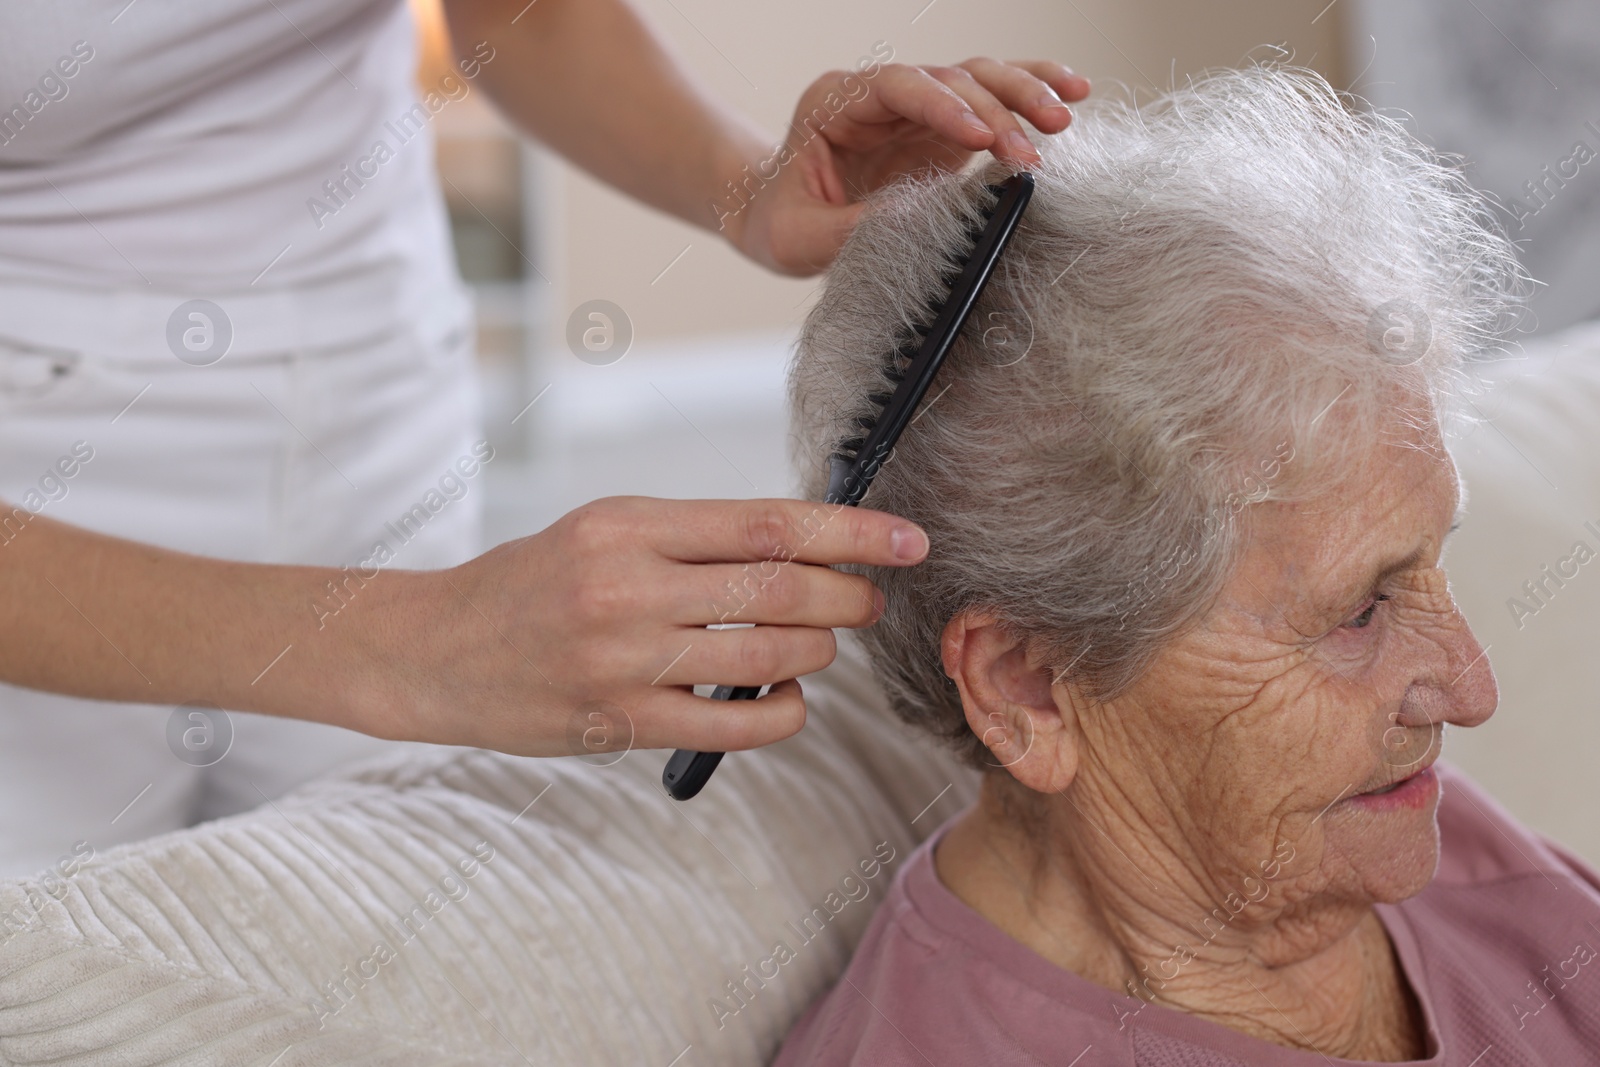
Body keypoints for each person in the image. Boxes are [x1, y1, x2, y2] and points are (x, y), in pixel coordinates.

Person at [0, 0, 1090, 875]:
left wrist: (749, 190)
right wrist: (409, 645)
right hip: (43, 469)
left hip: (373, 350)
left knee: (361, 907)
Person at [775, 66, 1600, 1064]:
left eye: (1432, 564)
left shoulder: (1416, 830)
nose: (1469, 689)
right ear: (1025, 685)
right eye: (1358, 611)